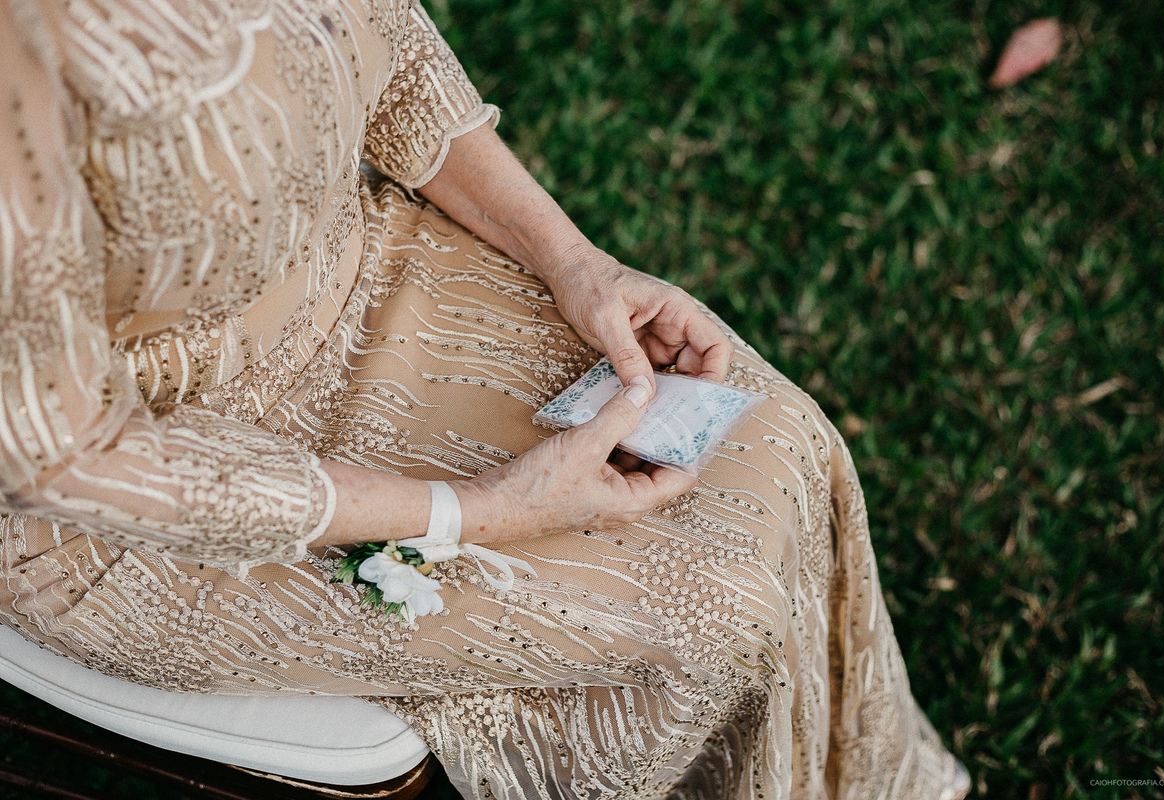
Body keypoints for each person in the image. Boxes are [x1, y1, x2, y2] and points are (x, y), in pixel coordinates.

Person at [0, 1, 969, 798]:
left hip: (363, 266)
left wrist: (576, 261)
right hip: (143, 483)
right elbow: (60, 454)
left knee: (774, 438)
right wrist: (482, 512)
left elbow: (388, 48)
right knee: (700, 611)